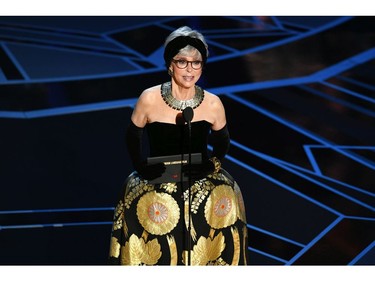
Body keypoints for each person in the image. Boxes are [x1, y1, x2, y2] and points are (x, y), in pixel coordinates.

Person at [108, 26, 248, 265]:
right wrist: (140, 166)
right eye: (182, 62)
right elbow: (133, 136)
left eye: (196, 63)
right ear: (170, 64)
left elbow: (222, 140)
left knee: (225, 196)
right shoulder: (149, 98)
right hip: (156, 176)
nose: (190, 69)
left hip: (200, 177)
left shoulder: (213, 103)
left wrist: (212, 165)